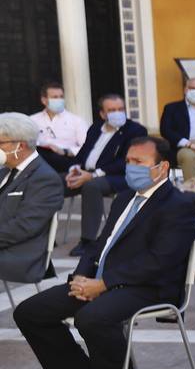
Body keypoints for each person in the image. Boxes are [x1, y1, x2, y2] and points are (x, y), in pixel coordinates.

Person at [15, 137, 195, 369]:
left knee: (91, 317)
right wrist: (80, 277)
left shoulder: (178, 205)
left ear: (161, 168)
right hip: (103, 282)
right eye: (127, 161)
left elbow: (159, 261)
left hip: (150, 287)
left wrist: (104, 284)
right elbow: (100, 243)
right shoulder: (125, 197)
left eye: (139, 162)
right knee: (30, 312)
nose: (130, 168)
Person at [67, 94, 148, 257]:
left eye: (120, 109)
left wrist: (94, 175)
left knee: (92, 186)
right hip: (86, 172)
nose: (117, 113)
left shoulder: (135, 130)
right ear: (103, 114)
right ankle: (41, 235)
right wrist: (74, 169)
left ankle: (87, 241)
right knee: (52, 181)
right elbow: (82, 152)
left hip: (118, 176)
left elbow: (126, 161)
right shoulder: (96, 128)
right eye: (112, 110)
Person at [0, 113, 66, 291]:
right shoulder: (5, 170)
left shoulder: (45, 179)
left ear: (19, 146)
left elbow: (24, 227)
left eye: (0, 143)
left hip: (19, 253)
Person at [29, 81, 88, 175]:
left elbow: (86, 147)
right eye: (55, 97)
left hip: (65, 160)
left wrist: (64, 151)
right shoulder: (32, 120)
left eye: (61, 97)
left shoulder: (76, 121)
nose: (59, 100)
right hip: (40, 160)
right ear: (44, 100)